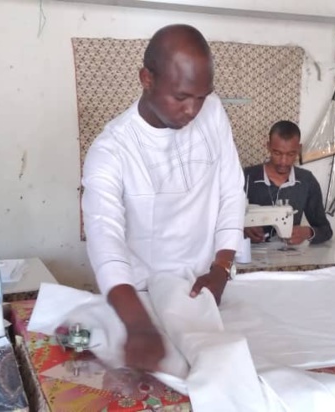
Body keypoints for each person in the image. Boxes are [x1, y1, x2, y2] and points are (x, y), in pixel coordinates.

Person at [81, 24, 245, 373]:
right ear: (147, 79)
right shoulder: (111, 150)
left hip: (204, 289)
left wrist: (221, 268)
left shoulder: (213, 112)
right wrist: (138, 324)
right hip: (140, 298)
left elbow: (231, 189)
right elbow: (104, 238)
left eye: (201, 97)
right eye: (181, 97)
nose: (193, 110)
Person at [243, 120, 333, 245]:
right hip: (250, 254)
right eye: (277, 153)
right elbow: (221, 220)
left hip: (289, 254)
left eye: (291, 154)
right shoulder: (246, 177)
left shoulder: (306, 181)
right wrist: (242, 228)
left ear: (299, 149)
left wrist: (307, 232)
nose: (283, 161)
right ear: (268, 146)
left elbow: (326, 230)